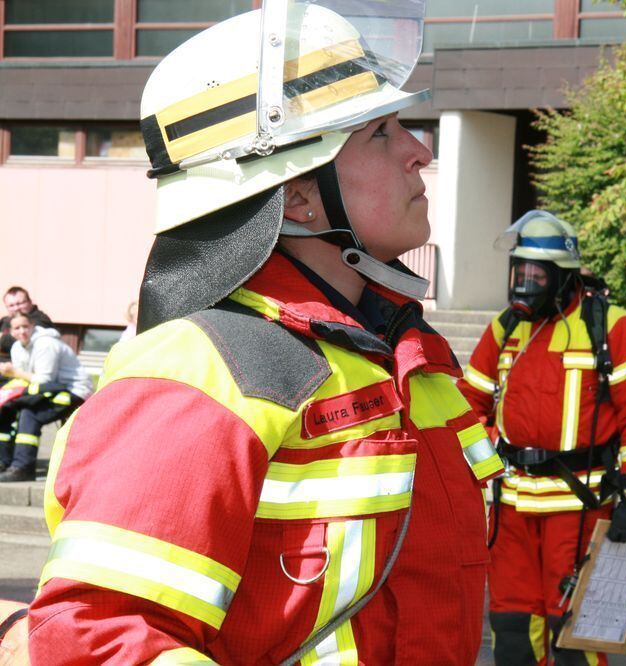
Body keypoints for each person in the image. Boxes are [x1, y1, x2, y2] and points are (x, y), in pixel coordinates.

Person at [26, 2, 503, 663]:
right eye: (381, 134)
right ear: (300, 196)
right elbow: (103, 641)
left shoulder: (413, 357)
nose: (419, 153)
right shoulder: (197, 377)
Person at [456, 210, 626, 665]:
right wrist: (472, 473)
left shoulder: (610, 326)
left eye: (537, 274)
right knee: (510, 628)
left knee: (572, 631)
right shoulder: (506, 327)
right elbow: (466, 407)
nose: (525, 283)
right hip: (511, 506)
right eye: (520, 271)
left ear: (565, 277)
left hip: (580, 506)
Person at [0, 314, 92, 482]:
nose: (22, 331)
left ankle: (23, 467)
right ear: (11, 332)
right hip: (48, 390)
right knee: (6, 408)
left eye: (25, 326)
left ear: (33, 326)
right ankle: (3, 460)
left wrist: (13, 372)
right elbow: (24, 381)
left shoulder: (46, 344)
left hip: (74, 391)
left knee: (30, 413)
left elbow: (45, 380)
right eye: (17, 328)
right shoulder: (16, 349)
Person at [0, 287, 55, 358]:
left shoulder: (41, 320)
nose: (16, 308)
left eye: (20, 303)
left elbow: (21, 339)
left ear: (30, 302)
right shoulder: (5, 320)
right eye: (11, 305)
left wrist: (2, 338)